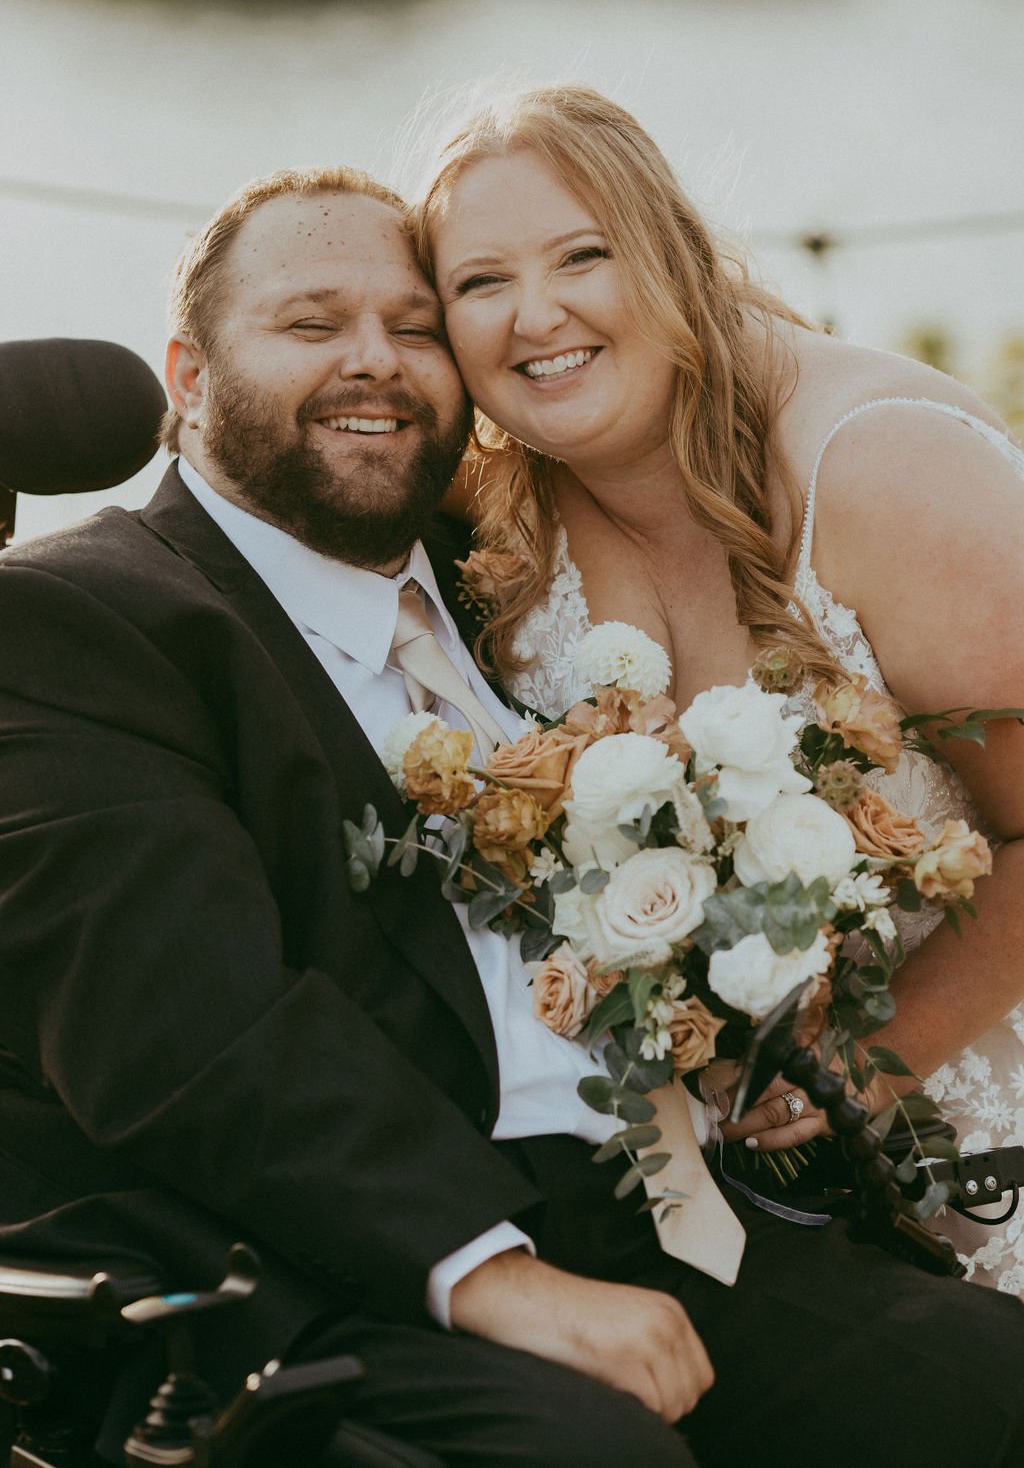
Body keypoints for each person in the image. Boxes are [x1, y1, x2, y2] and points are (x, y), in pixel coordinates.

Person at [1, 165, 1023, 1468]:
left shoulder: (491, 567)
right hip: (299, 1257)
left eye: (415, 326)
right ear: (189, 377)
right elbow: (184, 1027)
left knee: (984, 1384)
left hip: (648, 1193)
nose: (373, 362)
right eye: (311, 324)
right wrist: (491, 1271)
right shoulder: (80, 619)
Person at [416, 84, 1024, 1294]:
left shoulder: (885, 471)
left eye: (582, 255)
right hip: (700, 1185)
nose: (536, 315)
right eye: (480, 283)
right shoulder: (494, 517)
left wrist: (875, 1064)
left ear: (674, 253)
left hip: (978, 1127)